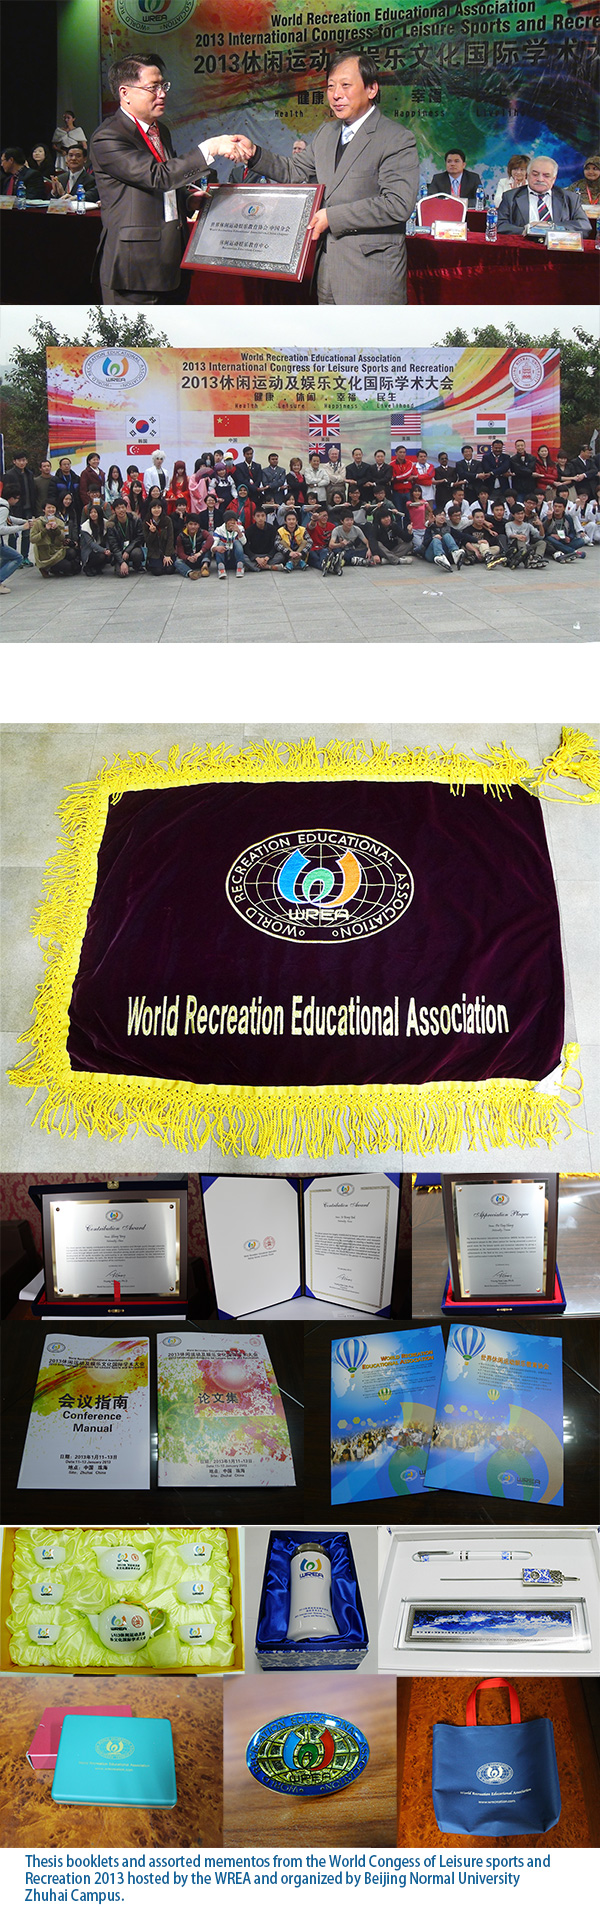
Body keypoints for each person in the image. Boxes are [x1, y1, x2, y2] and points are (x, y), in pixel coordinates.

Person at [236, 47, 419, 304]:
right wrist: (254, 154)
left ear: (371, 89)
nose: (336, 95)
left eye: (345, 85)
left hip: (371, 276)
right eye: (331, 86)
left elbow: (397, 205)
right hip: (327, 273)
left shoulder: (395, 138)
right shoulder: (326, 133)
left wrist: (332, 217)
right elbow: (294, 171)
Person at [90, 53, 243, 302]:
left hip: (171, 262)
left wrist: (187, 200)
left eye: (164, 86)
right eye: (153, 88)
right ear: (125, 93)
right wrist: (211, 148)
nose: (162, 94)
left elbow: (161, 187)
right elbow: (157, 176)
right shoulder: (109, 137)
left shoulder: (160, 131)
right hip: (136, 268)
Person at [497, 156, 591, 234]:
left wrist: (552, 226)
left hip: (558, 248)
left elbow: (585, 226)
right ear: (527, 175)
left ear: (553, 179)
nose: (540, 179)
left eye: (546, 176)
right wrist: (526, 230)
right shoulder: (510, 197)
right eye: (535, 174)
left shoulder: (570, 198)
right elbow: (500, 225)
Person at [30, 499, 78, 577]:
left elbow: (62, 538)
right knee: (67, 566)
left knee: (72, 554)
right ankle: (46, 567)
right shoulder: (38, 523)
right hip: (45, 552)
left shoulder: (59, 522)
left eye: (53, 508)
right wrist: (45, 530)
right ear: (44, 510)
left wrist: (57, 530)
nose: (51, 510)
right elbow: (32, 539)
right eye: (48, 508)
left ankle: (55, 568)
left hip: (57, 550)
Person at [106, 498, 145, 575]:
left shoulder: (135, 520)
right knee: (121, 574)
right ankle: (122, 564)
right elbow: (114, 546)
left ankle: (137, 565)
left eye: (123, 507)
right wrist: (122, 562)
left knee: (137, 553)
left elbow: (140, 537)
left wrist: (127, 550)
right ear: (114, 510)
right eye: (118, 508)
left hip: (132, 548)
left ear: (126, 508)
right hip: (119, 551)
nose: (121, 510)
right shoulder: (111, 525)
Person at [504, 503, 546, 568]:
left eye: (522, 513)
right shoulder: (509, 524)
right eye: (518, 514)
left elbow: (541, 536)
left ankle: (536, 558)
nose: (520, 516)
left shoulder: (528, 525)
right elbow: (509, 534)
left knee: (542, 543)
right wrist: (517, 536)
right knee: (520, 539)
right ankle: (526, 557)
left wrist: (540, 525)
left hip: (527, 546)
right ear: (513, 515)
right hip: (515, 547)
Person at [80, 503, 113, 576]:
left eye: (95, 512)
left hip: (101, 547)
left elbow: (107, 539)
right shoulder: (85, 526)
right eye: (91, 512)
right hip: (89, 550)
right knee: (101, 556)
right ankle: (87, 567)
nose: (93, 514)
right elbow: (90, 543)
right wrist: (104, 550)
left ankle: (97, 567)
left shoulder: (105, 523)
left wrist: (108, 549)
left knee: (110, 555)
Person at [212, 510, 248, 577]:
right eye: (230, 520)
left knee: (237, 542)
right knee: (220, 543)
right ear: (226, 521)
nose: (232, 522)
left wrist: (239, 532)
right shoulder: (219, 530)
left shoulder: (240, 528)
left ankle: (240, 567)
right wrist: (216, 548)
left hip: (234, 556)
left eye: (234, 520)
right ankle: (221, 568)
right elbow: (213, 546)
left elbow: (244, 542)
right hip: (224, 555)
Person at [244, 506, 278, 571]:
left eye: (263, 516)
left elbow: (275, 545)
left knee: (280, 556)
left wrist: (268, 556)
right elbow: (246, 547)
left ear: (266, 517)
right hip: (255, 556)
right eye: (258, 516)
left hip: (267, 556)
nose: (260, 518)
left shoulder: (272, 529)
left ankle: (255, 566)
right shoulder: (249, 530)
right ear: (254, 517)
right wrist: (255, 558)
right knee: (242, 556)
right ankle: (267, 566)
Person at [144, 501, 175, 574]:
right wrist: (152, 532)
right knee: (157, 571)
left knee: (170, 570)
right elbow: (148, 541)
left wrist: (167, 555)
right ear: (150, 509)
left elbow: (170, 538)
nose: (156, 510)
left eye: (158, 507)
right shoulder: (147, 521)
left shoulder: (167, 520)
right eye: (154, 508)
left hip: (166, 549)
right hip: (154, 552)